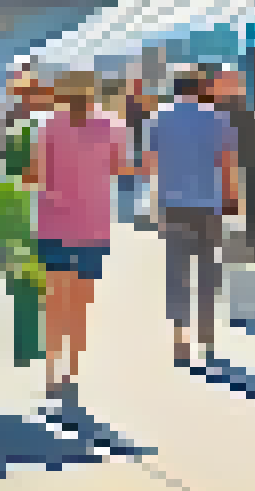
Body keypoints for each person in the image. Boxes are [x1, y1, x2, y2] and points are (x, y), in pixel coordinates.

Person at [32, 72, 125, 412]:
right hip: (93, 225)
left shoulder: (47, 125)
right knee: (80, 304)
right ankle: (71, 372)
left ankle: (50, 373)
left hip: (53, 222)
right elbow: (118, 168)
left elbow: (38, 173)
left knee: (54, 301)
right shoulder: (111, 125)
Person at [145, 70, 238, 367]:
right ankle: (207, 335)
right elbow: (228, 163)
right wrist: (232, 198)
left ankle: (179, 338)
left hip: (173, 204)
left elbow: (150, 165)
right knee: (208, 269)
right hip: (209, 204)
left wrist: (155, 201)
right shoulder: (218, 118)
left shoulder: (159, 118)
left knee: (177, 270)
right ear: (200, 90)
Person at [214, 67, 255, 267]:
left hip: (246, 166)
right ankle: (254, 248)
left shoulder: (224, 114)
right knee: (252, 210)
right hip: (249, 167)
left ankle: (251, 248)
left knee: (250, 209)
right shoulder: (251, 114)